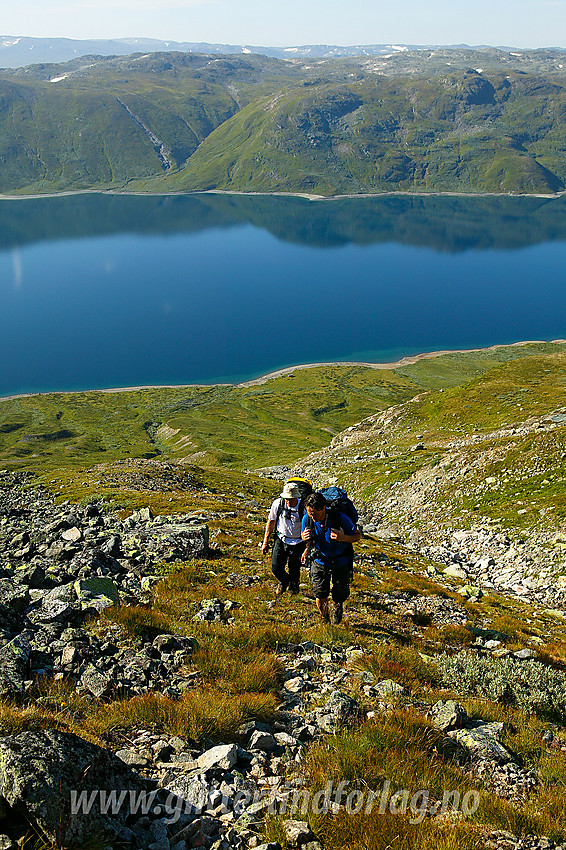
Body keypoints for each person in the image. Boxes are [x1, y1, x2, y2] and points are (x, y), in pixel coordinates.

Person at [301, 491, 360, 624]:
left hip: (340, 561)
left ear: (323, 508)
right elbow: (305, 535)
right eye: (310, 513)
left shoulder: (340, 517)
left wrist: (343, 537)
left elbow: (357, 535)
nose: (312, 516)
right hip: (319, 559)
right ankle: (325, 618)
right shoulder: (308, 518)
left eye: (315, 513)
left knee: (339, 594)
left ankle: (338, 609)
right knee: (320, 593)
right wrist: (304, 540)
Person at [261, 482, 306, 595]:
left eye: (291, 499)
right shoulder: (278, 504)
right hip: (281, 539)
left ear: (297, 497)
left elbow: (308, 527)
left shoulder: (303, 508)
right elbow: (271, 522)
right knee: (276, 567)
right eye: (286, 498)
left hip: (298, 542)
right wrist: (265, 541)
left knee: (294, 568)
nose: (288, 501)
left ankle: (294, 589)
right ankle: (284, 581)